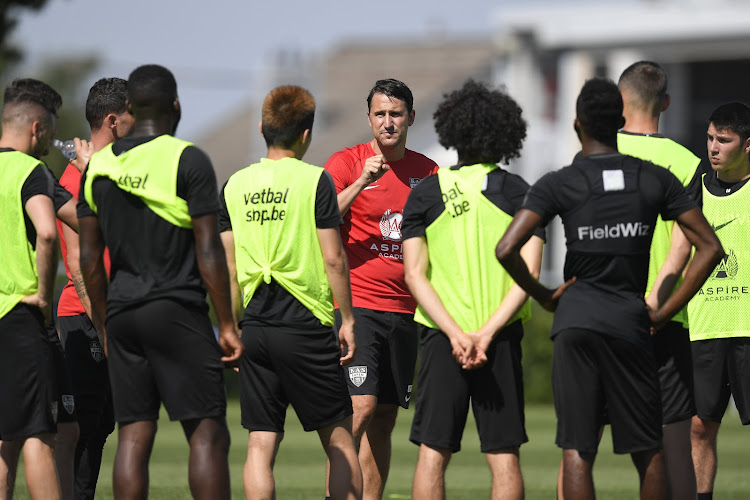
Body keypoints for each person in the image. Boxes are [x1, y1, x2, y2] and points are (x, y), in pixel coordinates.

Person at [495, 77, 723, 500]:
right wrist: (666, 308)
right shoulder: (655, 178)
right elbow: (709, 247)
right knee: (647, 448)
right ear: (619, 121)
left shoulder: (558, 182)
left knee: (579, 449)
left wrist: (544, 295)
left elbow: (506, 248)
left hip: (575, 321)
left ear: (577, 124)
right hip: (630, 321)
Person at [78, 64, 243, 500]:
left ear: (129, 107)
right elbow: (209, 251)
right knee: (207, 432)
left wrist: (105, 322)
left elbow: (89, 259)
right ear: (176, 106)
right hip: (175, 309)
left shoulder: (97, 168)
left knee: (133, 435)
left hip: (124, 314)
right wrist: (226, 323)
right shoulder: (186, 158)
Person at [219, 84, 362, 500]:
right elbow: (334, 259)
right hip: (305, 325)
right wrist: (348, 320)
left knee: (261, 444)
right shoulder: (314, 180)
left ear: (262, 128)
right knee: (339, 441)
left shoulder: (233, 185)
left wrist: (231, 328)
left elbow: (228, 268)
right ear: (306, 134)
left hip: (256, 326)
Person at [402, 79, 542, 500]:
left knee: (433, 451)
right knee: (503, 455)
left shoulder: (425, 193)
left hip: (444, 339)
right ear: (505, 134)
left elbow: (414, 275)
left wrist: (457, 335)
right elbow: (529, 277)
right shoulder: (522, 194)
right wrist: (486, 333)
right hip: (499, 339)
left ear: (451, 130)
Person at [324, 78, 438, 499]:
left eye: (395, 114)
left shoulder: (429, 173)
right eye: (380, 114)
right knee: (360, 409)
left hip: (407, 310)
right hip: (359, 307)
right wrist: (361, 183)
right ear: (368, 118)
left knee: (386, 417)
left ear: (410, 116)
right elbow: (322, 218)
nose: (388, 122)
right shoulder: (346, 162)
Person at [56, 77, 134, 500]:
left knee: (103, 423)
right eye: (131, 115)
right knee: (83, 426)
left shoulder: (112, 173)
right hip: (83, 319)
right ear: (112, 121)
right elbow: (79, 269)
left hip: (112, 317)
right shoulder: (73, 179)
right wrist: (103, 329)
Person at [0, 78, 63, 500]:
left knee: (3, 439)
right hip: (19, 317)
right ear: (36, 127)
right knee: (39, 434)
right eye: (52, 130)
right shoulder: (30, 170)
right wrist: (43, 294)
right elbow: (47, 231)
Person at [688, 102, 750, 500]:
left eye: (724, 141)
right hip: (703, 327)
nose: (713, 147)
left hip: (748, 329)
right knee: (699, 427)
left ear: (747, 145)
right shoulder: (692, 189)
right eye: (710, 138)